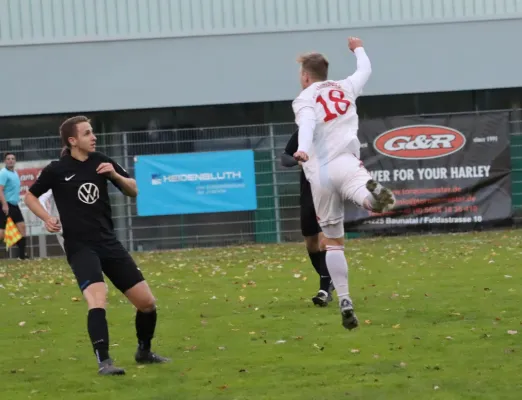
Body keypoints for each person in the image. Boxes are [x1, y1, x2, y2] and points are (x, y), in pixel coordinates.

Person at [25, 116, 169, 376]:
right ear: (72, 141)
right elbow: (30, 196)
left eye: (93, 132)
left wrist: (114, 175)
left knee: (147, 303)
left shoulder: (102, 161)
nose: (94, 137)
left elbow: (133, 190)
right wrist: (46, 218)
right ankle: (105, 362)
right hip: (81, 247)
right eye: (87, 133)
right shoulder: (56, 169)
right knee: (97, 300)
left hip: (109, 243)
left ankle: (144, 351)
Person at [292, 37, 396, 330]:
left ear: (305, 76)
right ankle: (372, 197)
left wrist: (302, 148)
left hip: (320, 175)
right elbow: (365, 69)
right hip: (347, 162)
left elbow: (308, 124)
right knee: (363, 193)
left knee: (333, 242)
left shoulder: (304, 98)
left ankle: (345, 300)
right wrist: (358, 48)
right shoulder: (345, 86)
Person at [281, 130, 334, 307]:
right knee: (311, 243)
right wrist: (297, 159)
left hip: (328, 192)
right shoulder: (303, 133)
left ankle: (324, 290)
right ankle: (329, 280)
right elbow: (284, 157)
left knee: (323, 240)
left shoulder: (334, 131)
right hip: (307, 195)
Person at [0, 152, 27, 259]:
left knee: (22, 228)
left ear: (15, 161)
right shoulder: (3, 173)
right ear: (5, 161)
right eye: (8, 159)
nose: (10, 160)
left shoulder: (15, 173)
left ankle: (22, 256)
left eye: (12, 158)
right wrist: (4, 204)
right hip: (5, 205)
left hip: (14, 205)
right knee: (1, 233)